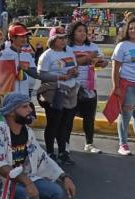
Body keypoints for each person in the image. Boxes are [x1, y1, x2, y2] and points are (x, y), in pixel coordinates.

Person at [36, 26, 79, 165]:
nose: (63, 41)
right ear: (53, 39)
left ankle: (62, 152)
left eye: (65, 37)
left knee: (65, 124)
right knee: (54, 123)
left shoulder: (69, 51)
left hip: (70, 90)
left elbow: (75, 67)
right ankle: (49, 152)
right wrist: (60, 77)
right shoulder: (47, 55)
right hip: (55, 92)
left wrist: (74, 72)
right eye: (60, 38)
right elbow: (41, 74)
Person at [68, 21, 108, 154]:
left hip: (89, 87)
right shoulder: (67, 48)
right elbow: (66, 63)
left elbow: (102, 62)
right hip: (71, 87)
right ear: (73, 32)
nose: (83, 33)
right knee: (68, 117)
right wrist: (86, 58)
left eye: (84, 31)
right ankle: (65, 144)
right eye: (79, 30)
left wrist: (102, 62)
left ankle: (89, 144)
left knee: (89, 117)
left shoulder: (93, 46)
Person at [111, 17, 135, 156]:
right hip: (128, 86)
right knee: (126, 115)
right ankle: (123, 144)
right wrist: (116, 87)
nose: (133, 30)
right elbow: (115, 68)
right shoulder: (123, 46)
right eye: (131, 28)